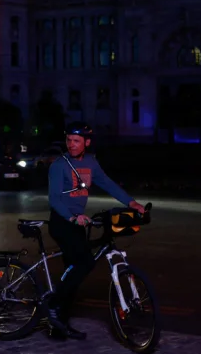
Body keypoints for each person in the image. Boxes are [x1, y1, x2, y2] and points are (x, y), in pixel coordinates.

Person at [45, 123, 146, 340]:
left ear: (87, 143)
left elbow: (107, 183)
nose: (71, 145)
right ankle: (53, 305)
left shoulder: (91, 163)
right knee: (84, 263)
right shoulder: (59, 165)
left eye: (76, 141)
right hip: (63, 223)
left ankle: (58, 325)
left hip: (78, 224)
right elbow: (54, 199)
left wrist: (132, 203)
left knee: (74, 271)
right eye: (69, 140)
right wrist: (72, 216)